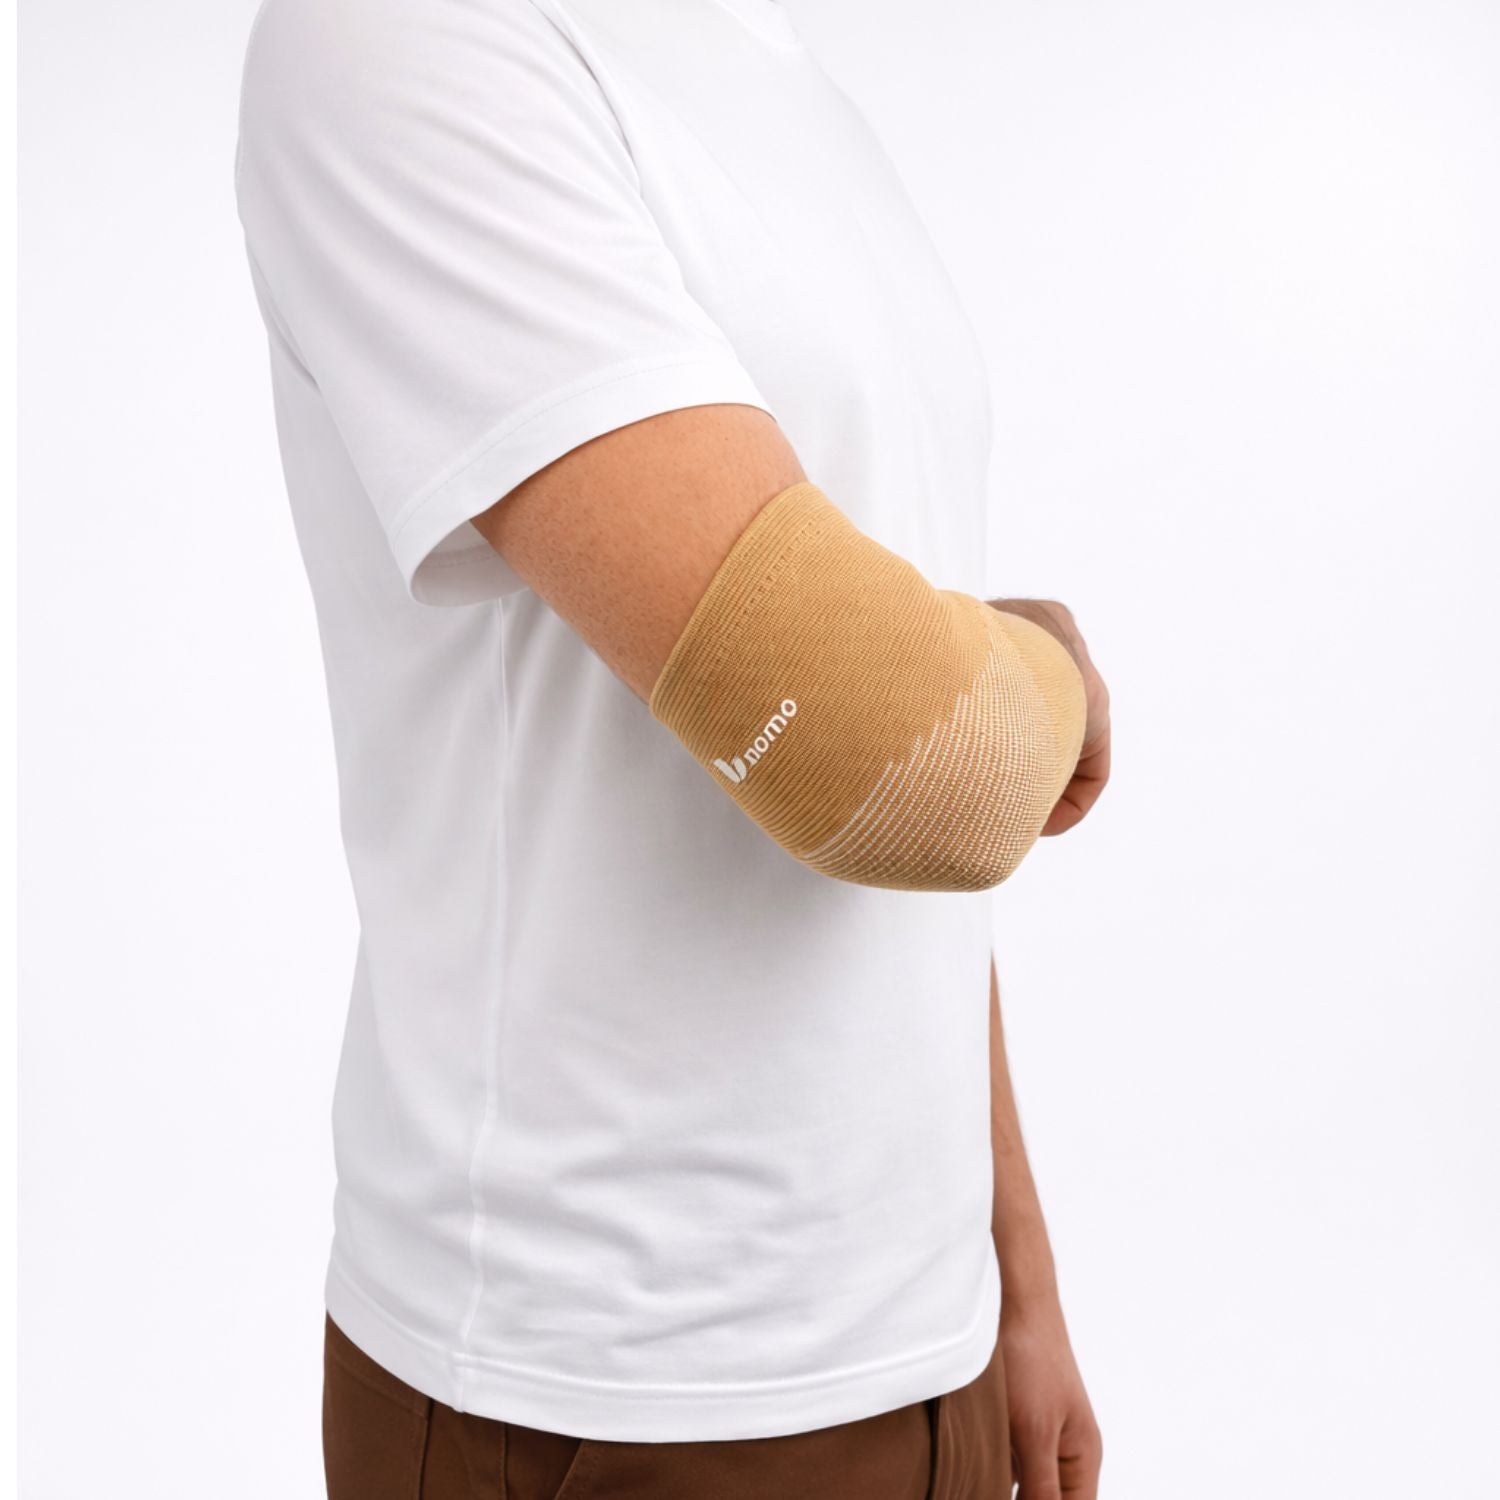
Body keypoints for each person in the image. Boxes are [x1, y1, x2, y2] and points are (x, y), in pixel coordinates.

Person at [234, 0, 1111, 1493]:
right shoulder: (400, 38)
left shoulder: (772, 69)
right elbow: (870, 738)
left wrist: (1012, 1265)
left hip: (927, 1341)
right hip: (609, 1381)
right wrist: (1056, 689)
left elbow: (911, 736)